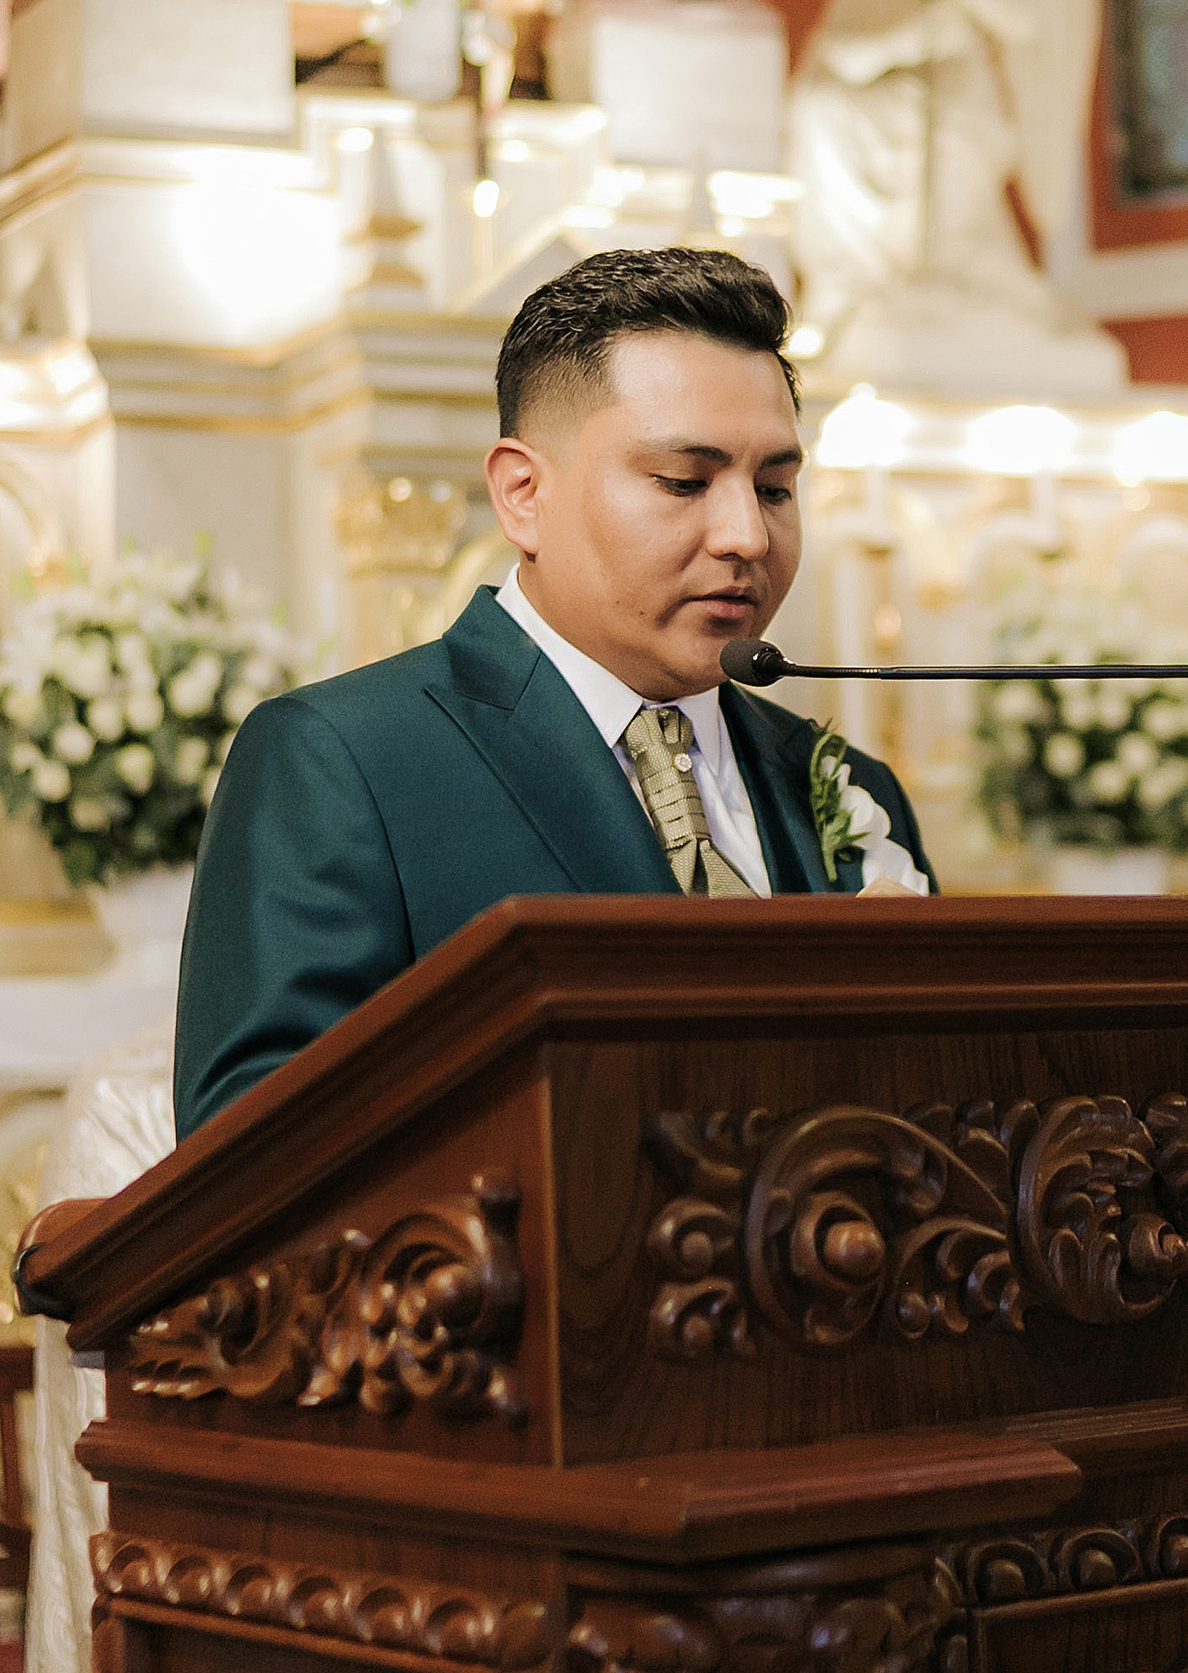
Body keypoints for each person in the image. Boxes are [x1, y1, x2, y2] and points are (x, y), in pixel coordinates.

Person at [172, 246, 931, 1136]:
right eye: (684, 482)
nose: (747, 537)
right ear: (523, 494)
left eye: (773, 488)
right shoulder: (342, 762)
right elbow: (252, 1143)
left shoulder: (849, 787)